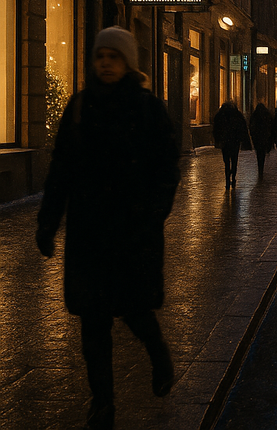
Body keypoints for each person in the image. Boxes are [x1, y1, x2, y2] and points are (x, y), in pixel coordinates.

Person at [36, 26, 180, 430]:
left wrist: (154, 212)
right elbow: (60, 170)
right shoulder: (80, 107)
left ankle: (158, 353)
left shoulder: (148, 109)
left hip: (133, 232)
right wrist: (48, 222)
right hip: (88, 235)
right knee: (93, 322)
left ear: (127, 62)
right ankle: (102, 404)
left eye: (113, 57)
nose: (105, 63)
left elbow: (167, 168)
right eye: (100, 56)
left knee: (135, 311)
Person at [213, 100, 249, 189]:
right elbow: (243, 128)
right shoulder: (237, 115)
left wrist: (218, 139)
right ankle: (233, 176)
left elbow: (216, 128)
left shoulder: (220, 115)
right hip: (234, 142)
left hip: (225, 142)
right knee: (234, 160)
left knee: (226, 162)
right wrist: (242, 139)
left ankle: (227, 178)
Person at [248, 102, 274, 178]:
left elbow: (251, 126)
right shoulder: (267, 115)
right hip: (264, 137)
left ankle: (260, 167)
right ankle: (261, 166)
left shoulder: (255, 115)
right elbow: (271, 126)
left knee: (259, 152)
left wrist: (253, 134)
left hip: (257, 137)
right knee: (262, 152)